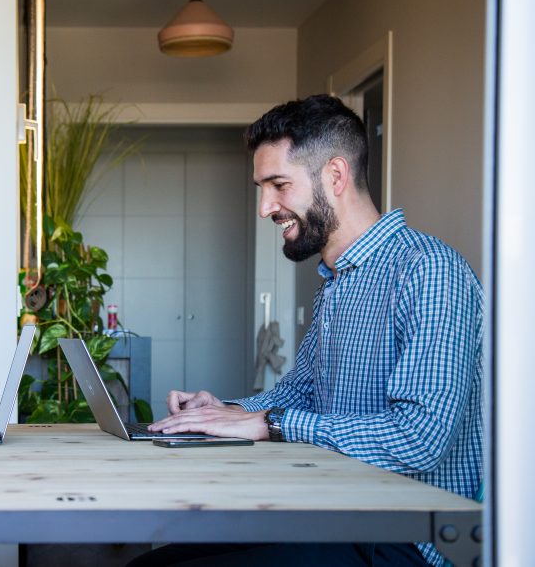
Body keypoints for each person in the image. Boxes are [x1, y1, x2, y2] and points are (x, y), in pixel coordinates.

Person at [136, 95, 483, 567]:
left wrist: (269, 424)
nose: (265, 208)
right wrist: (227, 410)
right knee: (151, 563)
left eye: (278, 185)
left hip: (401, 536)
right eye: (262, 187)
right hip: (336, 509)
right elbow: (303, 390)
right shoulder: (337, 281)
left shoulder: (429, 271)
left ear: (335, 176)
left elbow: (419, 439)